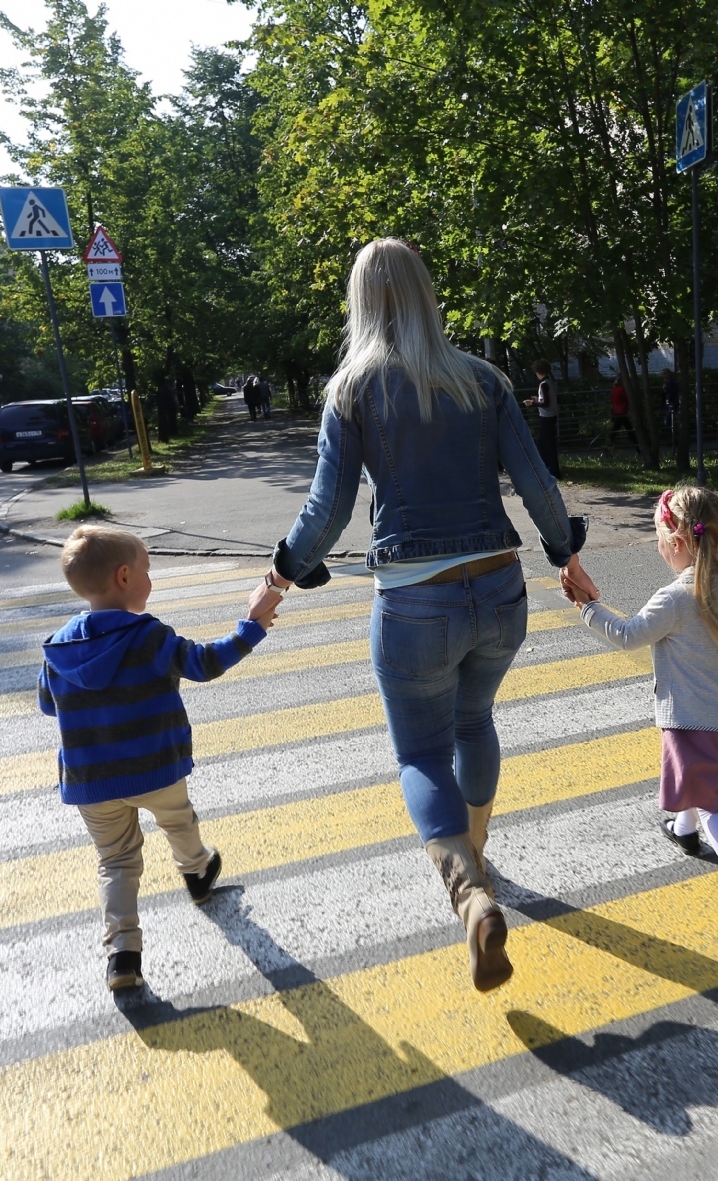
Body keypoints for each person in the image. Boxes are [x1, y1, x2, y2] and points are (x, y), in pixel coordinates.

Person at [258, 238, 594, 993]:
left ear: (362, 301)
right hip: (500, 593)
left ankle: (468, 889)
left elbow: (327, 512)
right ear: (425, 294)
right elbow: (538, 484)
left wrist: (276, 580)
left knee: (419, 754)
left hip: (414, 602)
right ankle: (479, 857)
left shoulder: (352, 390)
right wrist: (566, 558)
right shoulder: (484, 379)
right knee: (475, 723)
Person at [38, 525, 277, 992]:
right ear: (124, 576)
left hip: (92, 782)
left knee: (115, 862)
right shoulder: (149, 636)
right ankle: (196, 872)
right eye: (148, 570)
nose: (152, 578)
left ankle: (122, 954)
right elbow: (204, 663)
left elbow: (49, 704)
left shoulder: (60, 646)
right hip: (155, 767)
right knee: (179, 822)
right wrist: (251, 628)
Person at [565, 486, 718, 950]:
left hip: (693, 723)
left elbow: (627, 636)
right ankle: (682, 832)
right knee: (699, 792)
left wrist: (586, 608)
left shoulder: (676, 597)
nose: (658, 544)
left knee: (714, 811)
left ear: (678, 542)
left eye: (658, 535)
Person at [521, 359, 560, 479]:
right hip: (551, 415)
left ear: (538, 372)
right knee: (544, 444)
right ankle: (549, 468)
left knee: (545, 445)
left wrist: (532, 403)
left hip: (546, 417)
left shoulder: (543, 384)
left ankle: (552, 470)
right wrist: (538, 400)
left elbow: (545, 403)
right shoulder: (550, 382)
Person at [608, 375, 633, 452]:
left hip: (616, 412)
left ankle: (608, 444)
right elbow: (628, 398)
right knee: (628, 429)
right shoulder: (622, 389)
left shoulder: (613, 389)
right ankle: (638, 446)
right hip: (622, 412)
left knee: (616, 429)